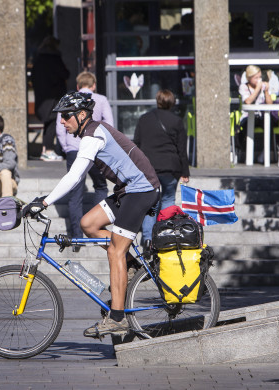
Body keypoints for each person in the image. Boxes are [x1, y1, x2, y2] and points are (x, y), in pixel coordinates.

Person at [22, 92, 159, 338]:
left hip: (141, 189)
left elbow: (75, 177)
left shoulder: (92, 135)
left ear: (82, 115)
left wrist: (44, 201)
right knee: (88, 223)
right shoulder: (90, 132)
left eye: (66, 116)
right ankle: (129, 265)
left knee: (115, 250)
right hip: (126, 190)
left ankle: (117, 318)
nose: (62, 122)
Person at [55, 72, 112, 246]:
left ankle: (77, 237)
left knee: (75, 194)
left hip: (74, 150)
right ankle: (98, 232)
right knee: (101, 186)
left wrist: (67, 147)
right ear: (94, 85)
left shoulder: (69, 99)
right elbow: (109, 123)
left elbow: (60, 127)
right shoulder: (101, 99)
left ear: (78, 86)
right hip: (96, 149)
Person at [133, 89, 190, 248]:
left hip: (149, 168)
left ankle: (148, 241)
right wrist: (185, 172)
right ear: (172, 102)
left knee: (151, 204)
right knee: (167, 200)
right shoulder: (177, 121)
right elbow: (181, 149)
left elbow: (136, 144)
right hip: (171, 168)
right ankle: (164, 239)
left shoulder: (144, 119)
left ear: (157, 101)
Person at [31, 36, 70, 161]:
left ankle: (44, 150)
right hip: (54, 95)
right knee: (53, 121)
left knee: (48, 123)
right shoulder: (54, 59)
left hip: (41, 96)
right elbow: (65, 74)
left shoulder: (38, 59)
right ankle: (48, 150)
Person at [238, 65, 278, 163]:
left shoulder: (263, 87)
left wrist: (266, 91)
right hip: (247, 117)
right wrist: (257, 89)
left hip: (260, 116)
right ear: (249, 78)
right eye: (256, 78)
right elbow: (248, 101)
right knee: (246, 129)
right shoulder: (244, 87)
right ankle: (247, 155)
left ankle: (264, 154)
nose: (258, 80)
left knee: (270, 125)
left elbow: (269, 104)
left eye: (260, 77)